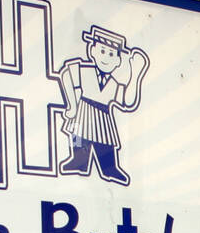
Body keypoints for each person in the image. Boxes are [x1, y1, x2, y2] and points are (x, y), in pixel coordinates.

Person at [58, 25, 148, 185]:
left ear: (118, 61)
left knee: (105, 145)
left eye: (112, 54)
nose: (106, 57)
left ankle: (110, 168)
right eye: (102, 51)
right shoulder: (82, 70)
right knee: (78, 138)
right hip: (82, 113)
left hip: (103, 117)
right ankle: (78, 162)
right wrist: (72, 103)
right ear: (92, 50)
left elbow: (128, 101)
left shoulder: (113, 83)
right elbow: (65, 74)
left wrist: (135, 75)